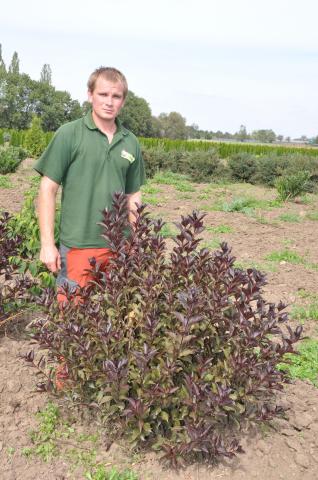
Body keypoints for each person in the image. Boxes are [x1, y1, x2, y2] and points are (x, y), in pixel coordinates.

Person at [34, 67, 145, 298]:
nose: (109, 102)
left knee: (114, 317)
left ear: (123, 101)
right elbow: (48, 188)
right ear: (90, 94)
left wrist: (135, 242)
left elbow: (133, 195)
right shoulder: (69, 134)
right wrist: (47, 244)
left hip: (118, 245)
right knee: (73, 318)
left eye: (116, 96)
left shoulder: (130, 142)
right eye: (103, 94)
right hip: (78, 245)